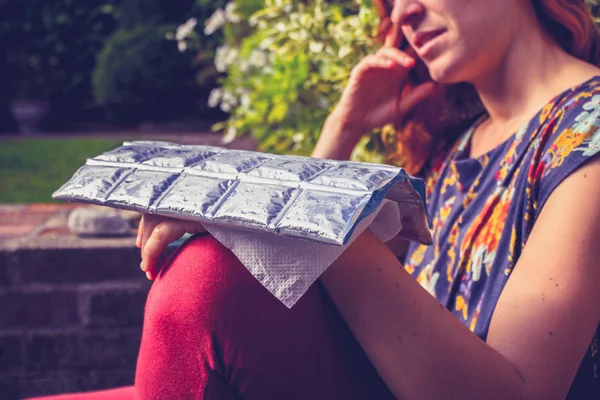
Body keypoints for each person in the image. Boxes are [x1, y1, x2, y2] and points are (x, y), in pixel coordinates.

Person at [31, 0, 600, 399]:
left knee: (207, 278)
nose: (400, 13)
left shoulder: (587, 137)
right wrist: (343, 127)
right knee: (206, 274)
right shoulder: (453, 147)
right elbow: (347, 301)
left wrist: (295, 215)